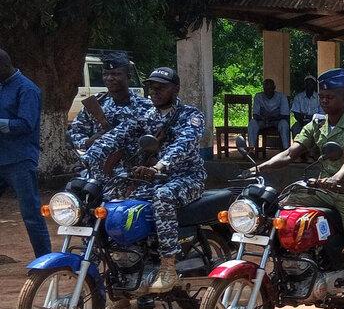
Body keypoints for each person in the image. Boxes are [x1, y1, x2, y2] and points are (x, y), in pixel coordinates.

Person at [251, 68, 344, 309]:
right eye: (322, 96)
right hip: (322, 188)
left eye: (330, 96)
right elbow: (292, 152)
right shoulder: (317, 123)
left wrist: (337, 177)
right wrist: (261, 166)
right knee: (280, 206)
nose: (324, 100)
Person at [81, 67, 206, 293]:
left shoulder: (191, 115)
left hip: (185, 178)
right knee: (114, 202)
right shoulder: (145, 116)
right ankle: (123, 283)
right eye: (151, 87)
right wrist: (88, 158)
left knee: (163, 196)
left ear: (175, 89)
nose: (155, 91)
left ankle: (168, 267)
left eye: (161, 87)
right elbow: (117, 136)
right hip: (151, 179)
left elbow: (184, 144)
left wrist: (160, 165)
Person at [67, 51, 154, 193]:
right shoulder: (96, 104)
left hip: (132, 177)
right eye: (106, 74)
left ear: (129, 76)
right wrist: (87, 143)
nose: (109, 78)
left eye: (116, 74)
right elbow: (76, 130)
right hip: (96, 175)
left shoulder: (145, 107)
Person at [0, 46, 51, 258]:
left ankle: (45, 260)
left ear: (3, 66)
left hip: (20, 159)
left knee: (30, 212)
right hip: (2, 157)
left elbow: (26, 124)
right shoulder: (2, 86)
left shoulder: (27, 89)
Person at [248, 78, 290, 151]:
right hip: (263, 121)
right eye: (266, 88)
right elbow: (255, 115)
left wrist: (272, 118)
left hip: (277, 121)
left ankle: (286, 150)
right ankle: (251, 149)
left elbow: (285, 115)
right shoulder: (258, 96)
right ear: (263, 88)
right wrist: (264, 118)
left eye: (270, 88)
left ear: (274, 88)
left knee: (284, 124)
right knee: (252, 123)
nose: (268, 91)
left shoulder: (281, 97)